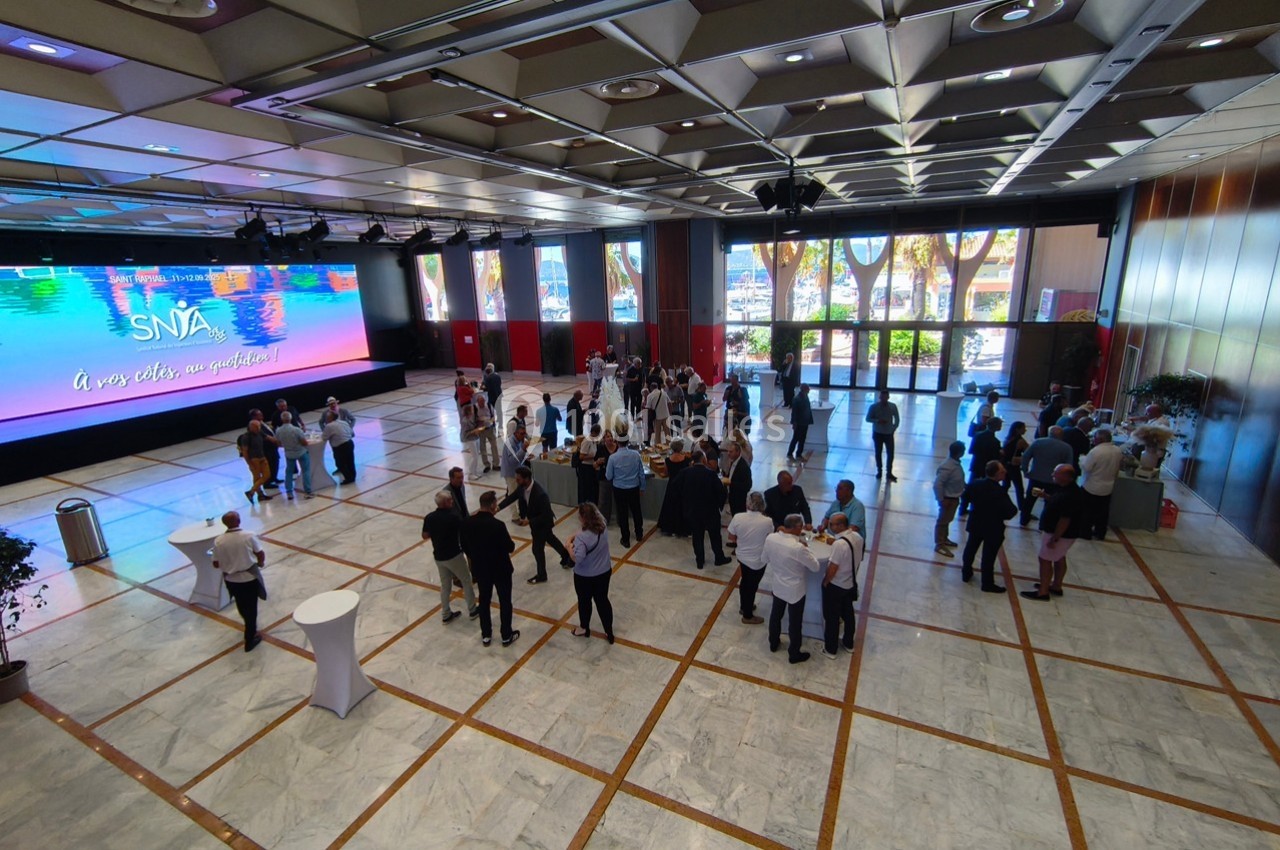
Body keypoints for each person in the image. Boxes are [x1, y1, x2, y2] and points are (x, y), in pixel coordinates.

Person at [459, 490, 519, 647]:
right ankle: (506, 634)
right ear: (493, 505)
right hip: (501, 569)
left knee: (484, 601)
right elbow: (510, 547)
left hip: (481, 569)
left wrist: (474, 556)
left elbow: (464, 545)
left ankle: (486, 634)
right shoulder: (498, 525)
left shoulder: (467, 523)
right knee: (505, 601)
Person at [763, 514, 821, 664]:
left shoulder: (771, 538)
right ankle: (794, 653)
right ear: (797, 527)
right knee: (795, 622)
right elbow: (815, 567)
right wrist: (807, 549)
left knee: (776, 615)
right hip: (795, 590)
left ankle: (773, 643)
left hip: (778, 585)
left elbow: (764, 559)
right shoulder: (798, 548)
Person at [499, 466, 572, 584]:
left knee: (537, 549)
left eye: (518, 479)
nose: (516, 481)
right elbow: (512, 497)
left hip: (542, 523)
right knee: (551, 539)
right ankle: (567, 558)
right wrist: (498, 507)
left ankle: (542, 575)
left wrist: (529, 521)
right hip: (535, 521)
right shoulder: (522, 487)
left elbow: (546, 515)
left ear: (527, 479)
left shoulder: (540, 494)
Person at [1022, 464, 1084, 601]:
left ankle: (1043, 592)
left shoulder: (1070, 494)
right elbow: (1059, 504)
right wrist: (1046, 496)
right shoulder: (1065, 489)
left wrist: (1055, 538)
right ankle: (1056, 585)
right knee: (1059, 557)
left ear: (1066, 477)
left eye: (1056, 473)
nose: (1052, 475)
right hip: (1063, 533)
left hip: (1060, 534)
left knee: (1045, 558)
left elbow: (1065, 519)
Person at [211, 510, 266, 652]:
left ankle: (248, 625)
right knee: (251, 607)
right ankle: (250, 637)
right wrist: (259, 563)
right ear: (239, 521)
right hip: (248, 577)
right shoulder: (248, 536)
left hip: (231, 580)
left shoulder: (219, 540)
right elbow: (260, 553)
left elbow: (215, 563)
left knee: (241, 604)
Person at [422, 491, 479, 623]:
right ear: (446, 502)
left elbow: (425, 535)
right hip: (454, 555)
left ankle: (446, 613)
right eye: (451, 501)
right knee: (466, 580)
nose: (452, 502)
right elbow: (465, 528)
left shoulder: (429, 517)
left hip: (439, 557)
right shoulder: (453, 516)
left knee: (445, 585)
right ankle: (472, 609)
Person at [960, 460, 1017, 593]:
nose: (1005, 473)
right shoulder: (999, 491)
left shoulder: (975, 484)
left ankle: (966, 572)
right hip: (993, 527)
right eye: (1002, 471)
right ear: (996, 474)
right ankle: (987, 583)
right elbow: (1011, 511)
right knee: (988, 555)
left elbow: (965, 497)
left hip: (976, 522)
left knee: (971, 548)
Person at [567, 502, 614, 642]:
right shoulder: (603, 526)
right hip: (604, 571)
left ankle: (584, 628)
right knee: (602, 601)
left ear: (583, 518)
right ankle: (609, 631)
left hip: (585, 576)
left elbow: (578, 558)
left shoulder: (582, 538)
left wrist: (569, 546)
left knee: (584, 601)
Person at [677, 451, 732, 569]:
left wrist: (685, 501)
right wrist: (719, 506)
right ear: (703, 460)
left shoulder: (685, 473)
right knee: (715, 536)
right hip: (710, 511)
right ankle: (719, 558)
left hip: (693, 511)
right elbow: (721, 493)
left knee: (697, 536)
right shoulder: (711, 474)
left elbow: (676, 486)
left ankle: (700, 561)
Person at [727, 491, 773, 623]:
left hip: (742, 556)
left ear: (747, 504)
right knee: (752, 586)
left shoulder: (738, 517)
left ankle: (744, 606)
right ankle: (747, 615)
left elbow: (731, 537)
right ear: (763, 505)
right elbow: (769, 538)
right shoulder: (767, 521)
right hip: (758, 559)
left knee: (745, 582)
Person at [820, 512, 861, 659]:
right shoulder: (857, 537)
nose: (829, 526)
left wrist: (825, 581)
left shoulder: (839, 544)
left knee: (832, 617)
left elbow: (833, 568)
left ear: (840, 525)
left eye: (832, 524)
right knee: (848, 613)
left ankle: (831, 649)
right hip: (850, 582)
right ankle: (849, 643)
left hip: (836, 585)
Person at [1020, 426, 1073, 526]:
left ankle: (1023, 520)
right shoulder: (1067, 447)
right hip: (1054, 481)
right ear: (1062, 435)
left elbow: (1026, 457)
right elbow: (1068, 466)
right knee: (1050, 503)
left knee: (1029, 500)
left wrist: (1025, 471)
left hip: (1036, 477)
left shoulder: (1038, 442)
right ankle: (1043, 524)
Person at [605, 428, 645, 547]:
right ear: (628, 442)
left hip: (619, 489)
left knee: (622, 513)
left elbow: (608, 476)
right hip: (634, 487)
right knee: (636, 510)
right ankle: (639, 534)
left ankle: (626, 539)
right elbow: (641, 473)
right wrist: (642, 487)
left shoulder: (613, 458)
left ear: (617, 442)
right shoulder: (636, 455)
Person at [1080, 428, 1123, 540]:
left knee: (1087, 511)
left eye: (1095, 438)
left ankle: (1085, 532)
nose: (1093, 440)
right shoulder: (1117, 450)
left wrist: (1082, 459)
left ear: (1100, 439)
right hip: (1108, 486)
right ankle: (1100, 533)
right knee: (1103, 512)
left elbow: (1087, 468)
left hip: (1092, 485)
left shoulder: (1096, 451)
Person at [959, 416, 1003, 516]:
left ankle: (963, 507)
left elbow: (971, 451)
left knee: (970, 487)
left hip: (976, 465)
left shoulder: (977, 435)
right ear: (996, 427)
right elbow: (996, 458)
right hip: (986, 469)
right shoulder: (995, 442)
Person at [932, 440, 966, 556]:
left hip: (954, 497)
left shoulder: (955, 464)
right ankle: (939, 544)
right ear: (960, 453)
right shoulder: (948, 467)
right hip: (948, 499)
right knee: (942, 521)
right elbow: (938, 484)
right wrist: (941, 499)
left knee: (947, 520)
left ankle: (944, 538)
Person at [274, 411, 312, 500]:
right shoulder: (296, 430)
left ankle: (289, 493)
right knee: (305, 471)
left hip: (289, 454)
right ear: (291, 419)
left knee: (289, 473)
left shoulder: (278, 431)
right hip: (301, 452)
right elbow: (304, 442)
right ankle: (308, 491)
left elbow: (279, 444)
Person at [237, 419, 276, 503]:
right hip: (254, 460)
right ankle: (260, 495)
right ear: (251, 427)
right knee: (257, 477)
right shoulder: (246, 437)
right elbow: (245, 451)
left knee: (267, 475)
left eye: (259, 426)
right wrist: (249, 463)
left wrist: (278, 441)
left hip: (262, 457)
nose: (259, 428)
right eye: (257, 427)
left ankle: (251, 492)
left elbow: (268, 438)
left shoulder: (260, 432)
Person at [865, 389, 900, 481]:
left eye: (885, 397)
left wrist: (893, 428)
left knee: (890, 454)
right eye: (882, 397)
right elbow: (868, 418)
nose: (884, 399)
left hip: (888, 434)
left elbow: (897, 418)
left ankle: (889, 472)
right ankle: (879, 471)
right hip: (878, 433)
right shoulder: (874, 407)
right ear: (880, 397)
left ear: (888, 397)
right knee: (878, 453)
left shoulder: (893, 406)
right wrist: (877, 421)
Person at [500, 424, 531, 520]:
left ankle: (522, 512)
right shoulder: (510, 443)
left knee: (520, 493)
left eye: (524, 434)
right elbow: (512, 460)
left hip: (517, 471)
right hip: (510, 473)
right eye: (521, 434)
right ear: (515, 433)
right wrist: (523, 449)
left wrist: (526, 455)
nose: (523, 436)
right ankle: (514, 516)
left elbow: (519, 457)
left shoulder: (520, 440)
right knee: (512, 494)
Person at [248, 409, 282, 489]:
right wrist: (276, 441)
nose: (262, 415)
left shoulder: (263, 422)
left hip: (273, 447)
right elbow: (264, 436)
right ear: (254, 417)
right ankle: (267, 483)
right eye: (259, 414)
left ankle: (274, 478)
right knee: (269, 465)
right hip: (266, 449)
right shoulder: (254, 426)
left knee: (275, 462)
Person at [1001, 421, 1030, 513]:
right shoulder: (1020, 441)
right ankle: (1022, 507)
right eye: (1023, 428)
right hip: (1014, 467)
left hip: (1005, 465)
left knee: (1005, 486)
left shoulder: (1007, 438)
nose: (1025, 430)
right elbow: (1029, 452)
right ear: (1018, 429)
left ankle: (1001, 503)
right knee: (1019, 487)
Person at [322, 410, 356, 484]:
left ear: (330, 418)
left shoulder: (329, 426)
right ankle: (352, 477)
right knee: (350, 461)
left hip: (340, 447)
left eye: (327, 417)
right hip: (349, 443)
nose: (326, 419)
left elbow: (324, 438)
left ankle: (348, 478)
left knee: (340, 463)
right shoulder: (344, 422)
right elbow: (352, 433)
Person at [595, 429, 618, 525]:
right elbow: (594, 464)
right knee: (603, 501)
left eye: (611, 436)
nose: (610, 438)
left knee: (618, 501)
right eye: (608, 437)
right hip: (604, 477)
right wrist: (598, 462)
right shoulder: (601, 448)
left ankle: (620, 520)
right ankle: (603, 521)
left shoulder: (618, 448)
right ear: (604, 439)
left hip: (617, 478)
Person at [473, 395, 499, 473]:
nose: (482, 404)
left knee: (494, 446)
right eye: (480, 402)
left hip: (490, 429)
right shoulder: (475, 408)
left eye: (483, 402)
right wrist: (479, 422)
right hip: (481, 431)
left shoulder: (488, 406)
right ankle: (486, 465)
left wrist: (490, 421)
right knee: (482, 448)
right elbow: (473, 419)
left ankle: (496, 464)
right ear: (477, 402)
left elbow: (494, 416)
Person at [787, 384, 814, 460]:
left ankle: (799, 453)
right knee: (796, 438)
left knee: (802, 439)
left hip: (805, 422)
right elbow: (794, 413)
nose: (809, 390)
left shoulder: (805, 397)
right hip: (799, 423)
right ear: (804, 390)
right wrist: (794, 423)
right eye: (808, 389)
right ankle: (790, 453)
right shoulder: (797, 399)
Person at [725, 442, 752, 515]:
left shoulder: (743, 467)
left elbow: (747, 485)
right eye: (728, 451)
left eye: (731, 452)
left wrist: (731, 483)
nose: (728, 453)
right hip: (732, 496)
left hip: (739, 499)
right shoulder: (733, 462)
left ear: (738, 452)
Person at [572, 436, 599, 506]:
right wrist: (593, 456)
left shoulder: (593, 442)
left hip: (590, 468)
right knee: (585, 490)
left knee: (590, 490)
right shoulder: (586, 442)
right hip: (585, 470)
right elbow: (581, 457)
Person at [460, 402, 484, 479]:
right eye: (471, 409)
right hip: (470, 439)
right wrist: (474, 431)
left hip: (476, 437)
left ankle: (474, 471)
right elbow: (465, 433)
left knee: (477, 455)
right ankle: (471, 473)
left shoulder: (473, 417)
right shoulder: (465, 421)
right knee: (475, 456)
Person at [645, 381, 670, 446]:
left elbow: (648, 407)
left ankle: (658, 446)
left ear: (651, 388)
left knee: (657, 433)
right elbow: (669, 403)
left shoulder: (650, 396)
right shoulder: (664, 393)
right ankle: (669, 444)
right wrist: (670, 413)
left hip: (657, 417)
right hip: (666, 415)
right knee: (667, 432)